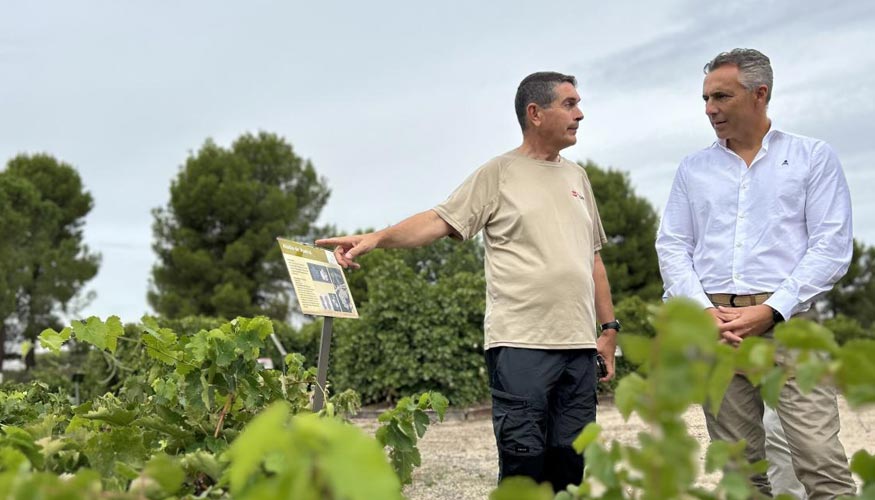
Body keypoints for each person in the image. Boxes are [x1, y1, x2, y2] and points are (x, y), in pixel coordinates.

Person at [316, 72, 619, 492]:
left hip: (578, 348)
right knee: (523, 466)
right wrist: (378, 238)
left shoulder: (577, 178)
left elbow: (593, 259)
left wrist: (609, 330)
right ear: (535, 113)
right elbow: (438, 221)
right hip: (520, 345)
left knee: (570, 466)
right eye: (569, 104)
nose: (580, 114)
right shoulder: (499, 173)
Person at [655, 48, 855, 498]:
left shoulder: (812, 157)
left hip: (791, 326)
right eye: (706, 99)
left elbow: (832, 246)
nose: (710, 109)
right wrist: (703, 311)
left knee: (820, 461)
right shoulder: (693, 169)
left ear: (759, 94)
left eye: (721, 97)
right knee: (741, 474)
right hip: (716, 331)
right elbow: (672, 245)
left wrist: (772, 310)